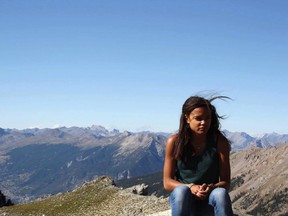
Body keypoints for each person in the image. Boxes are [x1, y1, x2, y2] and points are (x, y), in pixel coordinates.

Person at [163, 95, 233, 216]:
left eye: (207, 118)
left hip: (209, 199)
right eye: (198, 118)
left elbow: (226, 182)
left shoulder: (220, 142)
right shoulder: (174, 142)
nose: (204, 123)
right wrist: (191, 187)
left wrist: (211, 187)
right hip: (185, 199)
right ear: (187, 118)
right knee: (181, 191)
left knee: (220, 194)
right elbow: (167, 182)